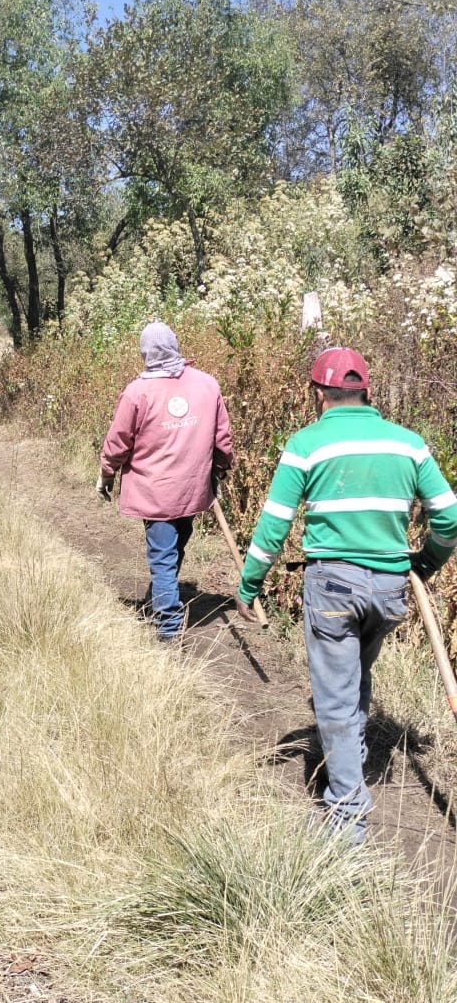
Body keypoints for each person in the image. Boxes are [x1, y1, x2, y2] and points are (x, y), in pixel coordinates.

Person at [235, 346, 457, 845]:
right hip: (389, 588)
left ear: (317, 395)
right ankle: (349, 769)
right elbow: (449, 517)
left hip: (332, 585)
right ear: (368, 392)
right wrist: (424, 563)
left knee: (335, 696)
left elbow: (273, 527)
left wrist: (249, 584)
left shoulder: (306, 444)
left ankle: (347, 816)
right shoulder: (409, 445)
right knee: (355, 676)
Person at [97, 321, 233, 640]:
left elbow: (117, 443)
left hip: (156, 493)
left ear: (145, 353)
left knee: (163, 554)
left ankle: (169, 630)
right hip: (192, 489)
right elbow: (222, 438)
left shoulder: (137, 392)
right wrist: (222, 468)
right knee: (172, 547)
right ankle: (158, 601)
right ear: (175, 344)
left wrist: (105, 474)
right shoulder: (207, 385)